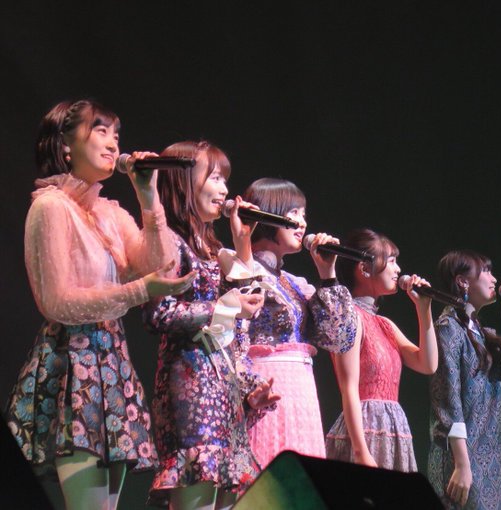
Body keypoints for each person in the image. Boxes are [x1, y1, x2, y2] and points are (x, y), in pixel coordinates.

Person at [4, 99, 195, 510]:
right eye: (101, 131)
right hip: (74, 365)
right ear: (66, 144)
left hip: (112, 361)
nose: (113, 144)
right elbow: (56, 302)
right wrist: (138, 291)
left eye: (117, 135)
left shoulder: (109, 212)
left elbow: (160, 264)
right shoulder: (51, 206)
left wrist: (148, 196)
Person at [143, 141, 280, 509]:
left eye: (224, 179)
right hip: (189, 383)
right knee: (197, 489)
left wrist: (242, 240)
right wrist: (222, 306)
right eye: (215, 178)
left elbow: (246, 309)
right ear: (185, 182)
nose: (224, 189)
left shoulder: (212, 248)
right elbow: (159, 313)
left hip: (222, 385)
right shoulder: (168, 241)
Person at [218, 177, 357, 469]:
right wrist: (243, 248)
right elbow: (236, 325)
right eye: (293, 213)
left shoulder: (294, 283)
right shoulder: (237, 266)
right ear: (268, 215)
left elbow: (339, 339)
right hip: (263, 387)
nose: (302, 222)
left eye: (304, 214)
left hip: (301, 392)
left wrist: (328, 274)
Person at [324, 228, 437, 472]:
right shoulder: (350, 316)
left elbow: (428, 364)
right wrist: (360, 451)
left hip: (391, 429)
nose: (398, 269)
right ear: (365, 269)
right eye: (392, 261)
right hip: (365, 430)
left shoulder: (385, 325)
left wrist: (424, 309)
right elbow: (348, 387)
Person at [427, 250, 501, 509]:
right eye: (486, 271)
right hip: (460, 458)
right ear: (463, 281)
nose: (494, 278)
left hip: (488, 458)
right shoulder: (448, 328)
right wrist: (462, 464)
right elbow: (447, 398)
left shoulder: (479, 332)